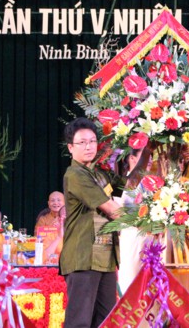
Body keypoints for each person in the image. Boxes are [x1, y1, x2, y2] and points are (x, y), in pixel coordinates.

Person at [59, 117, 127, 328]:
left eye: (92, 141)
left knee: (106, 322)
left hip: (106, 259)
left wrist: (143, 152)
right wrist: (146, 220)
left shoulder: (100, 175)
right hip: (83, 257)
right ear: (71, 147)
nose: (88, 147)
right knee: (79, 323)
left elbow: (129, 185)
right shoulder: (75, 174)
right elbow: (112, 210)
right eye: (82, 142)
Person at [117, 147, 152, 294]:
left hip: (150, 239)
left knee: (150, 284)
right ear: (132, 158)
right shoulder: (124, 182)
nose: (149, 160)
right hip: (131, 237)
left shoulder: (150, 183)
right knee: (131, 282)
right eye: (145, 156)